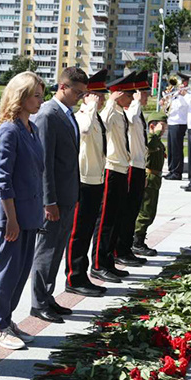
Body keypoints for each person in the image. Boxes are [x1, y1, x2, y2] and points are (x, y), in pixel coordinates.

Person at [0, 72, 45, 350]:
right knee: (6, 271)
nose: (40, 100)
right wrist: (11, 218)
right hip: (12, 217)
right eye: (36, 95)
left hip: (29, 215)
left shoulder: (30, 128)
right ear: (20, 97)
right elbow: (3, 179)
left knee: (21, 272)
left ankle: (7, 320)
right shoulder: (9, 130)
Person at [30, 67, 87, 324]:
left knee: (57, 250)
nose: (80, 97)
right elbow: (45, 163)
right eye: (77, 92)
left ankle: (48, 296)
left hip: (67, 196)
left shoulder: (67, 114)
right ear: (62, 87)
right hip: (54, 200)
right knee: (47, 250)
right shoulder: (47, 115)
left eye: (83, 93)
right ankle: (38, 302)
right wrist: (48, 200)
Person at [65, 69, 109, 295]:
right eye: (97, 95)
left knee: (87, 230)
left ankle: (83, 274)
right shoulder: (83, 114)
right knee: (78, 232)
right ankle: (73, 278)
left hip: (96, 179)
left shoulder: (96, 116)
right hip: (83, 181)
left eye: (102, 96)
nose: (101, 100)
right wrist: (90, 105)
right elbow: (82, 130)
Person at [91, 73, 138, 284]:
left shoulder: (120, 112)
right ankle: (99, 264)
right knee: (106, 221)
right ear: (118, 95)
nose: (132, 98)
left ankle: (109, 261)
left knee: (116, 218)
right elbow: (103, 121)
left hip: (121, 168)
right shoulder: (110, 112)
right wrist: (109, 101)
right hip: (111, 169)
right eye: (129, 94)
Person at [116, 74, 151, 265]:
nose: (146, 97)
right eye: (143, 94)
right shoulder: (129, 112)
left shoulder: (138, 112)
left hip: (138, 166)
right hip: (129, 167)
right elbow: (129, 121)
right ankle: (120, 249)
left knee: (133, 211)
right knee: (126, 212)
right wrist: (136, 102)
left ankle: (126, 248)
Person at [133, 111, 168, 255]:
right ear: (153, 125)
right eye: (162, 126)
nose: (164, 129)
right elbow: (149, 145)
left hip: (156, 178)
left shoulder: (157, 141)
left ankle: (140, 239)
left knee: (150, 211)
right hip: (149, 178)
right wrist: (155, 132)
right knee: (145, 212)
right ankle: (136, 242)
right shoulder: (150, 138)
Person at [162, 72, 189, 180]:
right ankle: (171, 169)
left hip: (180, 123)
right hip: (172, 122)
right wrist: (165, 101)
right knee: (171, 148)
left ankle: (177, 172)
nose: (177, 84)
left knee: (177, 148)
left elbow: (181, 106)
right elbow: (168, 109)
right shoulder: (175, 94)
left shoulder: (186, 95)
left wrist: (180, 94)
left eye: (180, 82)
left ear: (185, 83)